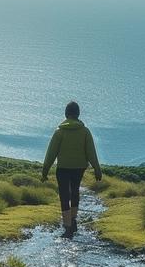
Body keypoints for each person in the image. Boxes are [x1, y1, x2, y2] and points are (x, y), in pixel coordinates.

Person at [40, 100, 102, 238]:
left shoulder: (59, 132)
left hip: (63, 168)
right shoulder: (85, 132)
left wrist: (44, 172)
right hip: (79, 168)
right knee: (75, 192)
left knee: (64, 196)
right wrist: (97, 170)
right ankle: (73, 221)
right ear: (78, 114)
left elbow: (51, 153)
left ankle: (67, 227)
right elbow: (91, 152)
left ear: (66, 114)